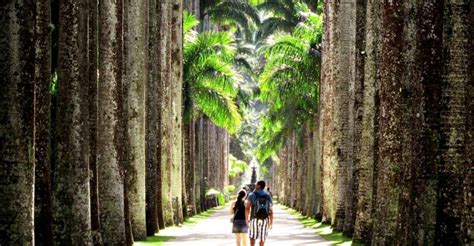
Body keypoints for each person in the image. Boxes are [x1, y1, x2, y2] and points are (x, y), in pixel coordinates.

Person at [245, 180, 273, 246]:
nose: (255, 185)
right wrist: (271, 222)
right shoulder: (267, 195)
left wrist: (247, 219)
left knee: (252, 237)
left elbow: (247, 207)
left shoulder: (252, 195)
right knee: (262, 238)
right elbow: (271, 211)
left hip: (254, 218)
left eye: (256, 184)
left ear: (259, 185)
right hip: (264, 219)